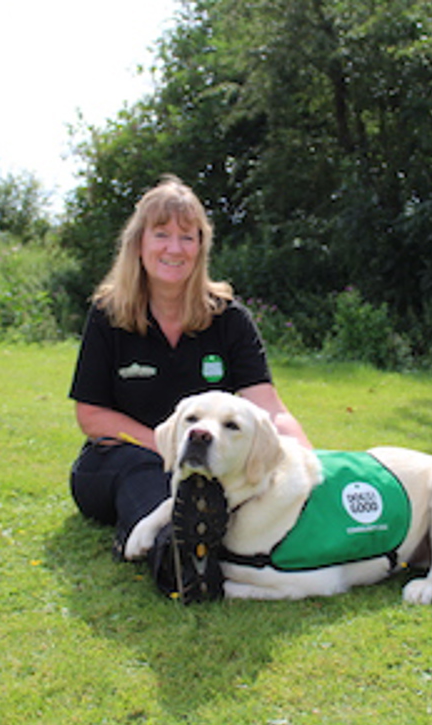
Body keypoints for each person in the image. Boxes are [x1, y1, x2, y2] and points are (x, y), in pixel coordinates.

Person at [68, 175, 310, 601]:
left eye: (187, 236)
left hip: (210, 465)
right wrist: (170, 449)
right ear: (138, 243)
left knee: (225, 487)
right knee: (152, 480)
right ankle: (174, 559)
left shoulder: (229, 319)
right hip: (123, 455)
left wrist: (312, 463)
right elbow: (91, 416)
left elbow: (267, 407)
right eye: (161, 234)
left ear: (201, 246)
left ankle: (219, 541)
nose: (174, 248)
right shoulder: (108, 315)